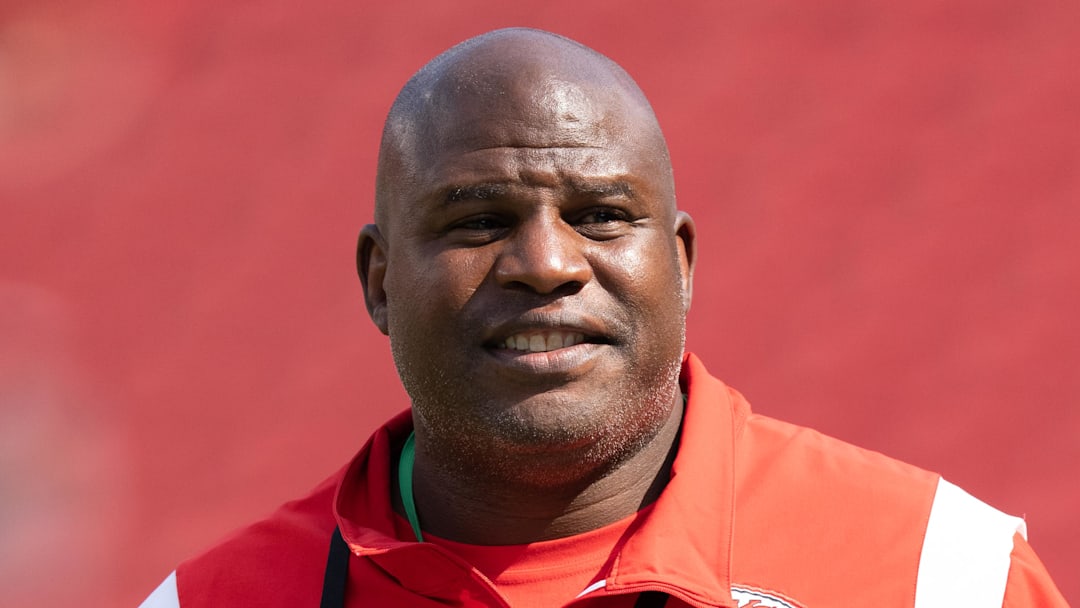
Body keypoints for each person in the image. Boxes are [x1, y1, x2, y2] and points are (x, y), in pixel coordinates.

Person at [139, 28, 1067, 608]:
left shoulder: (943, 580)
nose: (547, 265)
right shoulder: (211, 602)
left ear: (683, 262)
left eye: (601, 217)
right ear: (378, 281)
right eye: (478, 221)